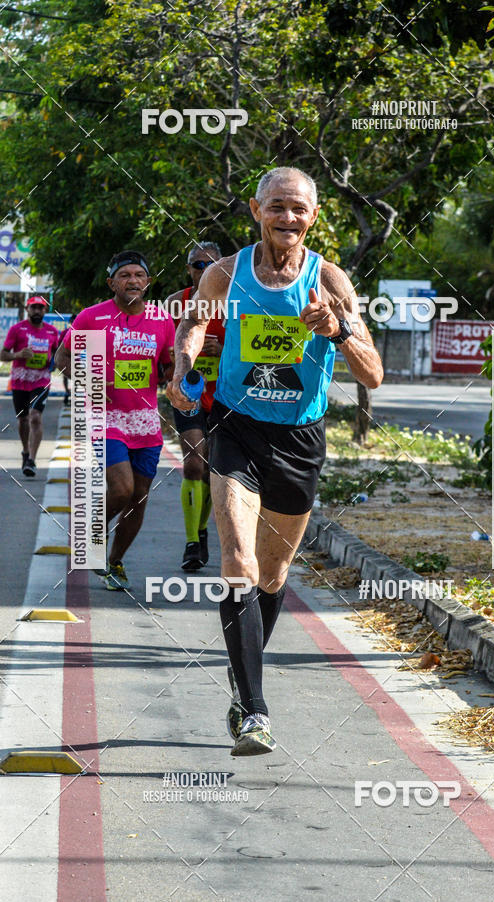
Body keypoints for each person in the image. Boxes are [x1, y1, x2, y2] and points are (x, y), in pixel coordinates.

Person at [167, 166, 383, 755]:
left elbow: (373, 374)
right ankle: (256, 711)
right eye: (277, 207)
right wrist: (184, 369)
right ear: (258, 211)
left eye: (299, 209)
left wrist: (336, 330)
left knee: (272, 574)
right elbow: (193, 326)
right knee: (235, 558)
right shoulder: (225, 273)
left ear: (313, 217)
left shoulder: (329, 278)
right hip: (236, 428)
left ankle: (241, 687)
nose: (288, 218)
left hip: (300, 440)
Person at [56, 250, 174, 590]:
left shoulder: (161, 320)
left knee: (139, 495)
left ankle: (115, 561)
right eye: (125, 275)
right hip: (105, 417)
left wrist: (179, 372)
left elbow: (167, 365)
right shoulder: (94, 318)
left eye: (139, 275)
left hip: (146, 422)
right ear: (112, 283)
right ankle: (92, 536)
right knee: (121, 488)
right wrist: (88, 380)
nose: (133, 280)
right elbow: (64, 355)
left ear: (148, 281)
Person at [165, 242, 224, 571]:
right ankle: (191, 543)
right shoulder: (177, 303)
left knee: (213, 467)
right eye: (197, 265)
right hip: (188, 394)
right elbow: (163, 350)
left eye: (210, 265)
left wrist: (224, 348)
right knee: (193, 461)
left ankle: (201, 530)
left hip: (225, 395)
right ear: (188, 269)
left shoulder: (237, 300)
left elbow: (255, 351)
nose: (203, 271)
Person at [1, 296, 61, 478]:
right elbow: (3, 354)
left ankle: (32, 460)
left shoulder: (52, 332)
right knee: (23, 420)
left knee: (35, 417)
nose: (37, 311)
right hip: (20, 381)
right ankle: (25, 451)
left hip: (41, 381)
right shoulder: (17, 329)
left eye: (40, 308)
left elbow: (57, 356)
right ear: (27, 309)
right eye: (33, 308)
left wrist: (53, 363)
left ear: (45, 311)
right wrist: (18, 354)